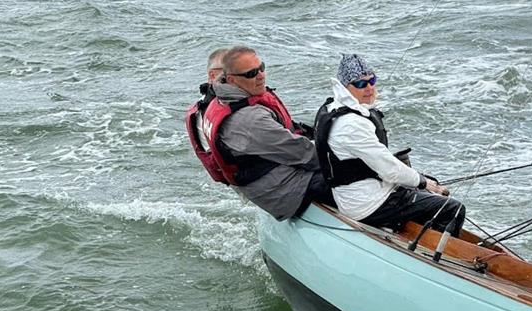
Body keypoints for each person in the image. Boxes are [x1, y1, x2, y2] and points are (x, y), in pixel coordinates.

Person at [314, 54, 465, 235]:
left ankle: (410, 230)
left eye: (372, 81)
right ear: (346, 86)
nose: (369, 88)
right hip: (368, 204)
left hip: (360, 195)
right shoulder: (351, 125)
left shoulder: (333, 109)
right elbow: (389, 170)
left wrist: (422, 181)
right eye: (361, 84)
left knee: (429, 185)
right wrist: (423, 182)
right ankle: (432, 255)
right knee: (453, 209)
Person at [186, 46, 332, 220]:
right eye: (251, 73)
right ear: (231, 79)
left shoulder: (220, 101)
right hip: (285, 192)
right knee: (358, 177)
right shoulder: (247, 119)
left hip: (271, 179)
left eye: (261, 68)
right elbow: (305, 155)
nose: (261, 75)